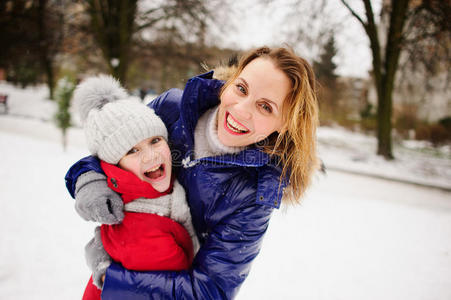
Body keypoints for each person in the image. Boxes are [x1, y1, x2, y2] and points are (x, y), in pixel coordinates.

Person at [65, 46, 319, 299]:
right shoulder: (175, 109)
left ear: (285, 124)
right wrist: (89, 180)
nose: (241, 109)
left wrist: (114, 278)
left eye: (266, 107)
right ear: (229, 82)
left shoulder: (254, 194)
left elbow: (211, 291)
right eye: (241, 88)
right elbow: (113, 144)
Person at [71, 75, 199, 300]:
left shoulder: (165, 189)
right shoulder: (141, 231)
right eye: (132, 151)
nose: (151, 155)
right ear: (113, 165)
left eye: (155, 141)